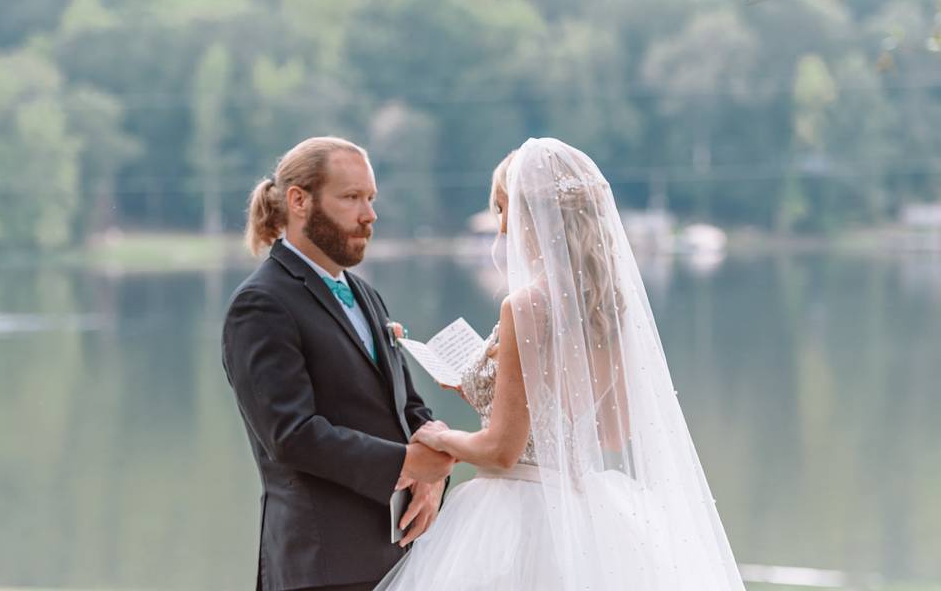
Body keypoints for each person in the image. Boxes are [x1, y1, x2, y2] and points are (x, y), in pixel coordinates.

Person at [374, 138, 745, 590]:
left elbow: (502, 451)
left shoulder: (526, 307)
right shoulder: (611, 307)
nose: (503, 225)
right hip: (583, 508)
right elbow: (611, 430)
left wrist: (441, 436)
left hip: (512, 512)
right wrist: (487, 388)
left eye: (502, 207)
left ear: (531, 213)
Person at [222, 137, 453, 591]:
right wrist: (409, 463)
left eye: (370, 198)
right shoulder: (261, 303)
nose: (369, 215)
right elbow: (291, 436)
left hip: (397, 558)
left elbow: (406, 406)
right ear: (298, 201)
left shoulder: (366, 294)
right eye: (351, 198)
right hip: (320, 568)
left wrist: (434, 470)